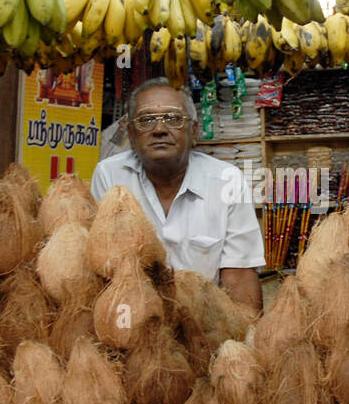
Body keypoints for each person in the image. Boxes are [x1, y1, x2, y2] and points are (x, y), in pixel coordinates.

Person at [91, 78, 265, 312]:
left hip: (204, 319)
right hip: (132, 317)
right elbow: (100, 263)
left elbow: (240, 275)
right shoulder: (110, 175)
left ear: (193, 131)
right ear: (131, 135)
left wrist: (245, 337)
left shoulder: (227, 180)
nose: (160, 130)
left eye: (173, 119)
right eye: (146, 120)